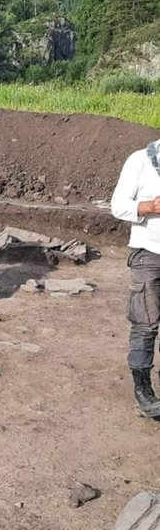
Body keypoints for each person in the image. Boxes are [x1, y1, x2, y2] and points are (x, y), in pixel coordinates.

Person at [111, 139, 160, 417]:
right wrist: (148, 208)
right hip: (149, 254)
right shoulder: (140, 160)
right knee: (145, 323)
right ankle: (143, 393)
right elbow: (117, 206)